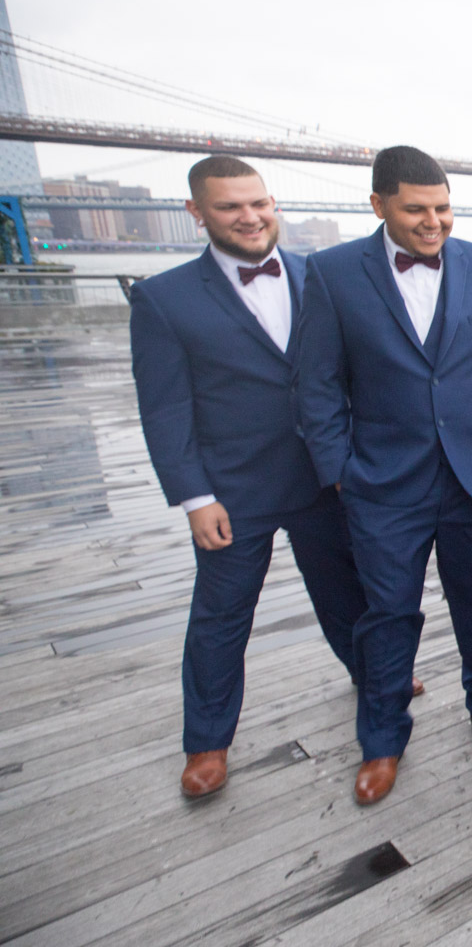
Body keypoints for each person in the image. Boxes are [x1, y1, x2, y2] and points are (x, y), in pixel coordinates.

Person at [295, 145, 472, 806]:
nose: (433, 222)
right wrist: (340, 470)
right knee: (386, 613)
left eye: (443, 208)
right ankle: (382, 740)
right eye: (416, 210)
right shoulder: (330, 272)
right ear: (378, 205)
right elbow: (316, 384)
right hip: (383, 483)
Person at [128, 155, 371, 800]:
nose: (250, 216)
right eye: (230, 206)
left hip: (325, 478)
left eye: (259, 203)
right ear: (196, 212)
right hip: (233, 491)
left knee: (347, 590)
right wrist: (194, 497)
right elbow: (165, 410)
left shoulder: (321, 275)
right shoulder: (162, 298)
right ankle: (207, 742)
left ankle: (374, 676)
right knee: (221, 615)